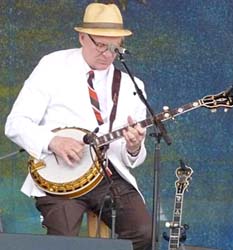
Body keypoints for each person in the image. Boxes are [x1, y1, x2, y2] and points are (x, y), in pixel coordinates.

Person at [5, 3, 152, 250]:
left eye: (115, 48)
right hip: (59, 176)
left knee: (144, 233)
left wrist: (134, 146)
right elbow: (15, 123)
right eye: (101, 45)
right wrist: (53, 141)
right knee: (63, 243)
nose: (107, 54)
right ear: (82, 37)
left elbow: (132, 159)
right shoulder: (52, 66)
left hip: (108, 174)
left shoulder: (132, 86)